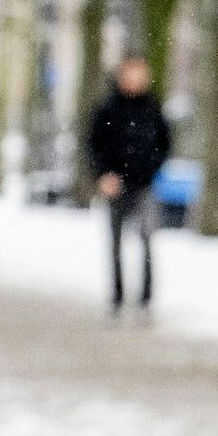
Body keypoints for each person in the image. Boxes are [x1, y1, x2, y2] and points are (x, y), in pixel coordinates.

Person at [85, 54, 171, 312]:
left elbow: (164, 145)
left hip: (144, 184)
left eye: (140, 73)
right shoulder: (107, 108)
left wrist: (151, 170)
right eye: (130, 73)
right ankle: (117, 295)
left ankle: (146, 296)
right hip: (115, 184)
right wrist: (104, 175)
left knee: (147, 238)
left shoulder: (153, 109)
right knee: (116, 242)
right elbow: (94, 145)